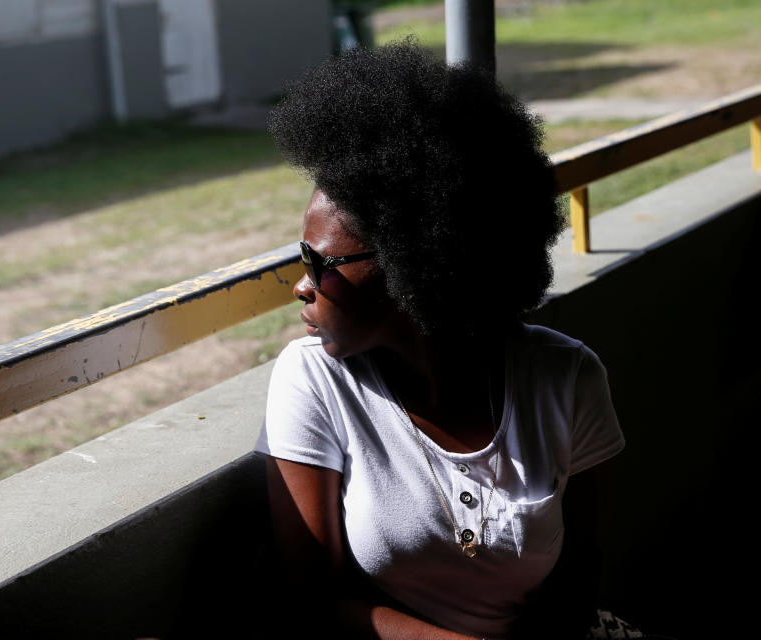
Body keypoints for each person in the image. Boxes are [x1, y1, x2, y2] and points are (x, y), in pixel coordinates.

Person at [253, 41, 625, 640]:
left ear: (412, 262)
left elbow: (579, 575)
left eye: (319, 262)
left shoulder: (567, 378)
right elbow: (314, 601)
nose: (301, 286)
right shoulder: (314, 378)